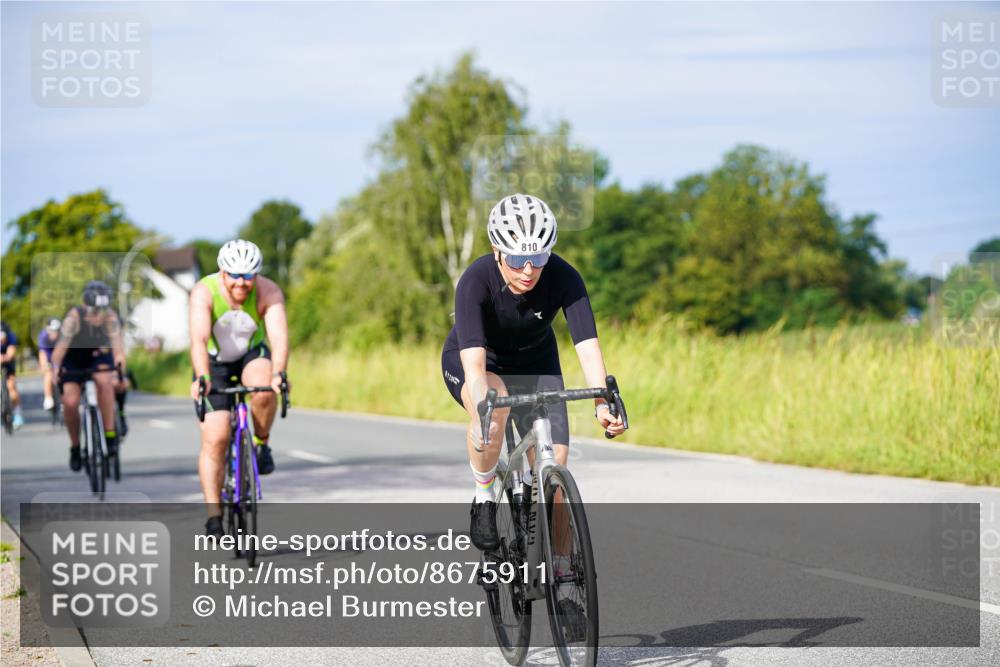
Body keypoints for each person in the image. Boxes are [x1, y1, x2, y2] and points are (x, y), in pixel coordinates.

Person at [440, 193, 625, 553]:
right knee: (493, 414)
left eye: (538, 258)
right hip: (482, 361)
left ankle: (563, 575)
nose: (528, 270)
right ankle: (483, 497)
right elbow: (475, 367)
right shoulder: (476, 280)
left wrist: (604, 402)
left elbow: (588, 347)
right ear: (497, 251)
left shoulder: (565, 277)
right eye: (517, 258)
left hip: (536, 362)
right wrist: (482, 415)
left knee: (555, 469)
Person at [188, 239, 289, 538]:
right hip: (214, 362)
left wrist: (280, 373)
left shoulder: (268, 291)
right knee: (216, 437)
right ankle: (214, 515)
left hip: (250, 354)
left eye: (249, 276)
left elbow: (279, 338)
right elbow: (197, 339)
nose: (242, 283)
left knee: (263, 387)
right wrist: (202, 377)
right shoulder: (204, 292)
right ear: (222, 273)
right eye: (235, 276)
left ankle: (262, 443)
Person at [51, 281, 128, 471]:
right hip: (73, 358)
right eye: (96, 311)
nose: (99, 316)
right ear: (87, 307)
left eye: (103, 310)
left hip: (98, 356)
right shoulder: (74, 317)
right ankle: (75, 447)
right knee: (70, 401)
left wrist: (119, 374)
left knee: (105, 381)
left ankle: (110, 436)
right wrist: (54, 369)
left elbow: (118, 352)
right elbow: (60, 349)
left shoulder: (110, 317)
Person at [1, 321, 24, 429]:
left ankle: (18, 415)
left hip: (8, 363)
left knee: (11, 387)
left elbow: (11, 352)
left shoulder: (11, 337)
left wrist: (6, 357)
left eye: (3, 337)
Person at [38, 318, 62, 411]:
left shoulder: (64, 336)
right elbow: (42, 353)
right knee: (48, 373)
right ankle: (48, 398)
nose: (54, 333)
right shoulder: (43, 336)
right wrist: (45, 366)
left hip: (59, 352)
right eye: (51, 331)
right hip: (48, 353)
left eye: (56, 331)